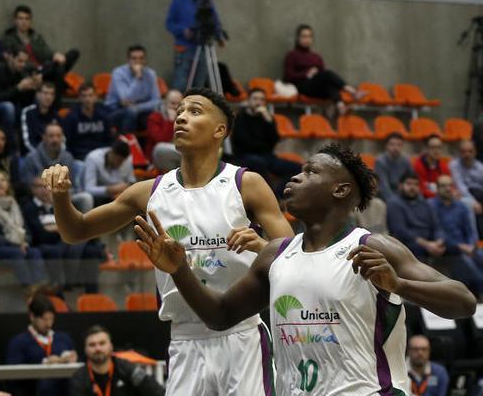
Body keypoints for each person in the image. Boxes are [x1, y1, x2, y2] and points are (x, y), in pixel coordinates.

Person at [134, 144, 477, 395]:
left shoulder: (373, 246)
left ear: (340, 189)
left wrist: (398, 284)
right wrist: (179, 270)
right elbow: (220, 316)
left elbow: (462, 301)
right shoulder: (275, 254)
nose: (296, 177)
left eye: (311, 171)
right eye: (299, 171)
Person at [42, 88, 294, 395]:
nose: (182, 117)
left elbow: (293, 256)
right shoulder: (149, 192)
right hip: (185, 339)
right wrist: (60, 196)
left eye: (195, 111)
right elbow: (76, 231)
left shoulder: (246, 184)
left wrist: (261, 244)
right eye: (180, 112)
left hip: (241, 334)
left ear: (220, 130)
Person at [22, 176, 105, 293]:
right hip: (45, 244)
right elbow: (41, 234)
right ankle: (66, 284)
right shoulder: (29, 208)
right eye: (40, 186)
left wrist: (55, 228)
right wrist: (62, 229)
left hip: (64, 241)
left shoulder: (57, 206)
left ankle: (92, 294)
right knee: (77, 242)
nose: (44, 189)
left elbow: (72, 225)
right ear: (32, 189)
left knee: (90, 251)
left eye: (46, 186)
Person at [165, 0, 226, 90]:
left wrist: (219, 35)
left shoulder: (206, 0)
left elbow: (214, 19)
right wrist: (183, 30)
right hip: (184, 49)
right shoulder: (178, 0)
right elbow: (169, 23)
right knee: (180, 85)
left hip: (203, 47)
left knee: (198, 86)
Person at [1, 5, 78, 104]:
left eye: (27, 19)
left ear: (30, 21)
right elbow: (13, 62)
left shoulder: (36, 37)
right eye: (20, 18)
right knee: (59, 70)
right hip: (29, 72)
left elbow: (47, 52)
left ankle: (56, 70)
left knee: (73, 54)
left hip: (45, 69)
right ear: (15, 20)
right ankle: (57, 102)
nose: (24, 22)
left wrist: (55, 55)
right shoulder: (9, 39)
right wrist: (34, 71)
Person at [0, 169, 48, 288]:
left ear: (7, 184)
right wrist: (14, 244)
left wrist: (25, 242)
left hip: (19, 245)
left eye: (3, 180)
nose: (0, 183)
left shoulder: (15, 204)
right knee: (16, 253)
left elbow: (27, 231)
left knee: (34, 252)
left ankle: (40, 286)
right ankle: (28, 288)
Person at [230, 87, 301, 193]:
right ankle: (271, 197)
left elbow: (275, 140)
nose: (258, 102)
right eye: (255, 99)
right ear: (249, 101)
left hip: (267, 156)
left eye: (261, 99)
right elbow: (244, 142)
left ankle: (278, 194)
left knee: (298, 168)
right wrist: (263, 145)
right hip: (245, 156)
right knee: (258, 163)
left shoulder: (267, 118)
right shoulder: (240, 118)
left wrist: (269, 122)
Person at [5, 296, 77, 396]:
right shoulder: (19, 342)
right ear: (32, 316)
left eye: (51, 319)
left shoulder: (64, 339)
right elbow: (13, 377)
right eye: (44, 319)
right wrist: (47, 363)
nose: (49, 324)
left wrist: (71, 359)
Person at [283, 24, 358, 117]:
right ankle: (350, 90)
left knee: (331, 83)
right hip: (302, 86)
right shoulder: (292, 55)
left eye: (310, 36)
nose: (307, 39)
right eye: (304, 36)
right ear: (298, 38)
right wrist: (306, 74)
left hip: (317, 88)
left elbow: (324, 77)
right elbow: (288, 76)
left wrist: (316, 74)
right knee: (328, 74)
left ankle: (341, 107)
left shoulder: (316, 57)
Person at [69, 325, 164, 396]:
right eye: (92, 345)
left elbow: (157, 392)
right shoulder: (78, 378)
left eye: (102, 343)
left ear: (111, 346)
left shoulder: (129, 369)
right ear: (85, 349)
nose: (97, 348)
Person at [428, 175, 483, 294]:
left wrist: (470, 245)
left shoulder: (460, 206)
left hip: (467, 246)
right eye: (443, 186)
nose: (447, 188)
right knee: (475, 272)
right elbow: (437, 232)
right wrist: (460, 246)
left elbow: (469, 229)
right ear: (436, 188)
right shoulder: (431, 206)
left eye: (449, 185)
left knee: (480, 255)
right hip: (448, 248)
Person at [22, 122, 93, 212]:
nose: (55, 139)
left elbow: (70, 184)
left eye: (58, 136)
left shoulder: (67, 157)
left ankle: (83, 225)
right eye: (51, 136)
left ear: (62, 138)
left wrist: (58, 194)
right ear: (44, 137)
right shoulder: (31, 158)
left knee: (86, 198)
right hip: (39, 196)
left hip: (63, 194)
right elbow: (27, 185)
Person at [387, 172, 447, 260]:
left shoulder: (424, 203)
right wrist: (427, 244)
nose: (412, 187)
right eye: (409, 184)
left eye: (416, 184)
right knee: (416, 248)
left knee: (450, 247)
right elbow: (400, 231)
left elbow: (437, 226)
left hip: (430, 243)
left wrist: (439, 241)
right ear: (400, 186)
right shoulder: (394, 203)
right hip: (409, 244)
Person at [104, 46, 161, 134]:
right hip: (116, 109)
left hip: (140, 110)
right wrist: (138, 77)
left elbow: (156, 101)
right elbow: (126, 99)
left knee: (157, 117)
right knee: (131, 113)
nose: (138, 62)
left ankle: (150, 147)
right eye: (134, 58)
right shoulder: (118, 73)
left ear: (145, 60)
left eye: (141, 58)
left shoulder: (151, 74)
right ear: (128, 60)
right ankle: (126, 145)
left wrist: (137, 107)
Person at [61, 82, 113, 161]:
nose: (87, 99)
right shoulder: (71, 117)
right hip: (80, 156)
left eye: (90, 95)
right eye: (84, 96)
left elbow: (109, 139)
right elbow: (68, 142)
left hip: (101, 155)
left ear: (96, 97)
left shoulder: (104, 116)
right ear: (79, 98)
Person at [82, 140, 135, 206]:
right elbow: (89, 189)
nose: (120, 164)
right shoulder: (93, 158)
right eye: (119, 160)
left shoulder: (127, 159)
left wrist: (128, 186)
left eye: (123, 161)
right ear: (112, 153)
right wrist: (109, 189)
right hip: (101, 197)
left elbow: (132, 181)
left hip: (121, 196)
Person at [144, 89, 182, 172]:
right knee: (160, 147)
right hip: (157, 157)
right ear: (165, 103)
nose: (175, 107)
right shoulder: (154, 117)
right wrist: (171, 121)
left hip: (177, 157)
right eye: (172, 103)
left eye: (179, 104)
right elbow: (161, 139)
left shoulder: (184, 118)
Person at [449, 139, 483, 231]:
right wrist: (474, 202)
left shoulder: (480, 167)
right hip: (463, 195)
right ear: (459, 153)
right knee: (470, 204)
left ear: (475, 152)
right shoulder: (454, 165)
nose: (467, 154)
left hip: (479, 196)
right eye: (463, 152)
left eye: (470, 151)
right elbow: (460, 186)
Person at [20, 82, 57, 155]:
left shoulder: (56, 115)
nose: (48, 97)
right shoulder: (28, 112)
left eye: (51, 94)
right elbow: (27, 141)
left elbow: (61, 139)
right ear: (38, 94)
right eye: (45, 93)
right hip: (32, 154)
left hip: (52, 156)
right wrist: (40, 155)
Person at [376, 133, 413, 202]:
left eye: (399, 145)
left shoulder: (406, 161)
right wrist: (395, 203)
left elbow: (411, 180)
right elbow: (384, 188)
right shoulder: (380, 162)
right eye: (392, 144)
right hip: (386, 197)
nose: (395, 148)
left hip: (403, 194)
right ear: (386, 146)